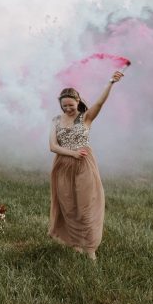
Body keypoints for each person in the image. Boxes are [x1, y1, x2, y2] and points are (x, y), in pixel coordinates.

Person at [47, 71, 123, 259]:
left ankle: (90, 250)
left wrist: (110, 82)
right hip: (63, 166)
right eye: (64, 106)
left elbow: (100, 102)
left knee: (86, 207)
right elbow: (53, 146)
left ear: (78, 101)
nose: (67, 109)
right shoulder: (56, 120)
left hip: (84, 165)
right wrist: (72, 153)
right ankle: (75, 244)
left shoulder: (86, 118)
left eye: (70, 105)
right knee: (69, 206)